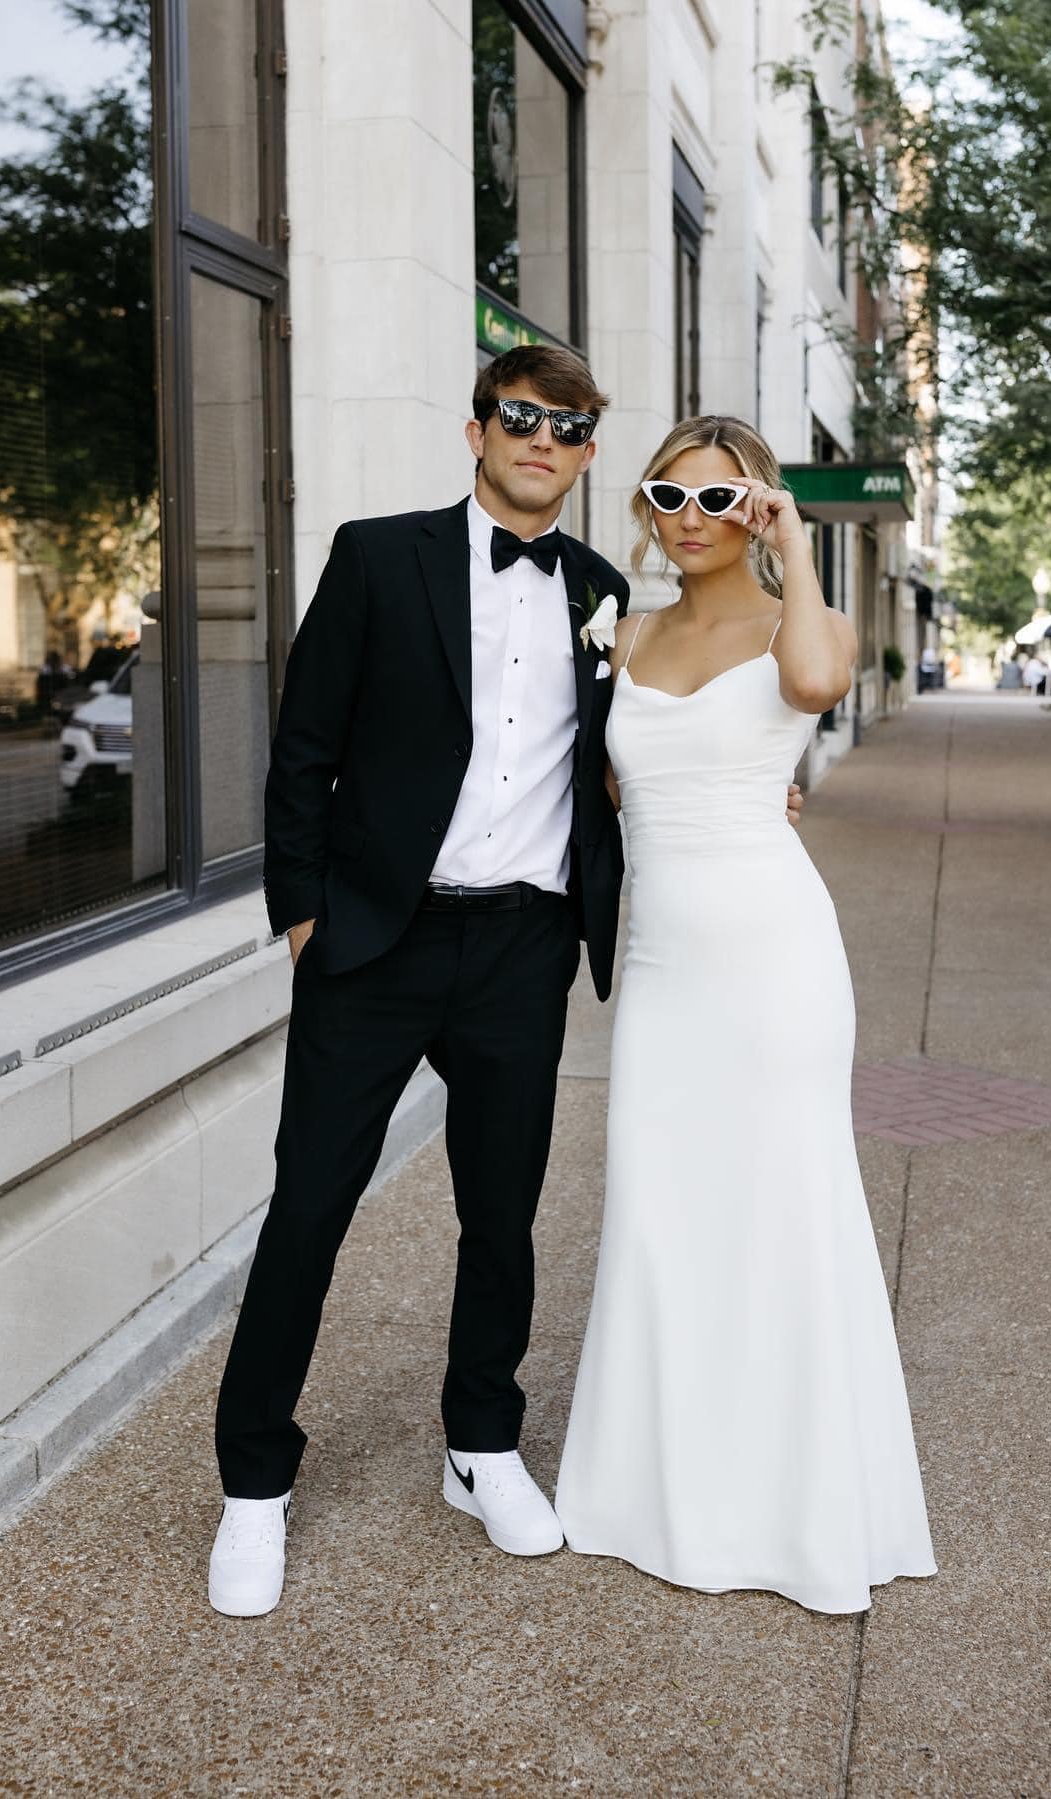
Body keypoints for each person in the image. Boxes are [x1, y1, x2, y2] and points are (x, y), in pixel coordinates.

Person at [207, 347, 808, 1617]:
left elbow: (651, 741)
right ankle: (253, 1485)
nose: (543, 439)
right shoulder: (378, 556)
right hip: (374, 942)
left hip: (523, 950)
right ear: (476, 429)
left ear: (592, 456)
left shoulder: (607, 598)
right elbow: (303, 747)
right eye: (522, 417)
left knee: (504, 1215)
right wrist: (307, 920)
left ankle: (480, 1446)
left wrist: (763, 771)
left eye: (571, 426)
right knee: (308, 1209)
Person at [555, 417, 937, 1614]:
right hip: (663, 965)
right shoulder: (623, 629)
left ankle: (792, 1510)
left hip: (776, 959)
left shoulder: (797, 627)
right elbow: (607, 783)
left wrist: (799, 546)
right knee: (660, 1209)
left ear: (759, 508)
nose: (690, 515)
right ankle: (654, 1492)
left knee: (783, 1206)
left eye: (722, 497)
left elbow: (819, 687)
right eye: (669, 492)